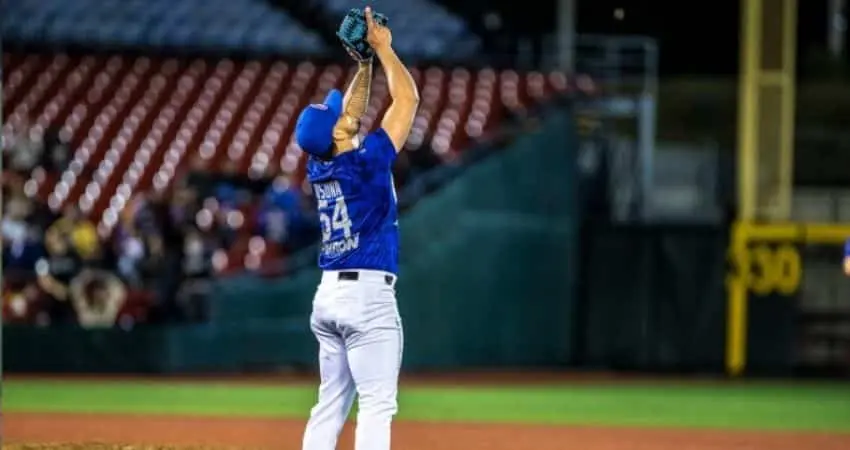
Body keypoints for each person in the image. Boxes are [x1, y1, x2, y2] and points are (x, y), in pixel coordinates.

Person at [299, 8, 419, 450]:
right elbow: (408, 102)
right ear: (339, 131)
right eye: (339, 115)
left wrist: (363, 64)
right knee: (376, 405)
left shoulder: (320, 163)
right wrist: (385, 50)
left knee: (329, 403)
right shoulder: (367, 163)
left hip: (328, 297)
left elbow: (348, 116)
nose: (345, 111)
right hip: (367, 298)